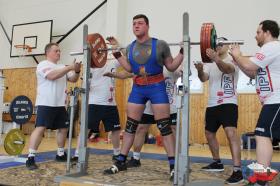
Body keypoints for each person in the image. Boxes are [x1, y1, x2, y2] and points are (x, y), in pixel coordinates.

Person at [103, 14, 184, 180]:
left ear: (147, 26)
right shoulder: (131, 47)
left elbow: (171, 65)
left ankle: (173, 166)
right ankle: (121, 162)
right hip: (138, 87)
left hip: (157, 87)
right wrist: (116, 52)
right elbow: (129, 68)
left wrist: (183, 50)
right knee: (131, 126)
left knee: (164, 127)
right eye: (134, 24)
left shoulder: (160, 44)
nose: (136, 26)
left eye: (140, 23)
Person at [229, 20, 280, 184]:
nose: (255, 35)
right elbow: (252, 73)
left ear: (267, 33)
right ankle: (262, 177)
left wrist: (238, 54)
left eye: (258, 32)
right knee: (263, 135)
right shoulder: (269, 51)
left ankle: (261, 179)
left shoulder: (271, 47)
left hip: (276, 100)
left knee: (262, 135)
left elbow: (250, 64)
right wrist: (238, 60)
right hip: (272, 101)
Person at [194, 37, 243, 184]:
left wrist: (216, 59)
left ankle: (237, 170)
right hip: (212, 104)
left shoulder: (233, 58)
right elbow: (203, 79)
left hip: (229, 102)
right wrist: (200, 70)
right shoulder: (210, 64)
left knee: (231, 133)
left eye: (221, 44)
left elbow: (227, 69)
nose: (218, 46)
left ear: (227, 46)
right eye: (217, 44)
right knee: (209, 134)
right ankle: (217, 162)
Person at [26, 43, 81, 170]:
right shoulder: (43, 65)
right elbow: (52, 76)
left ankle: (60, 153)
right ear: (48, 53)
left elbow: (73, 79)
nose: (59, 53)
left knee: (63, 128)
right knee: (40, 128)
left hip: (60, 104)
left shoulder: (62, 66)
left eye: (59, 51)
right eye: (56, 51)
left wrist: (76, 70)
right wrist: (69, 68)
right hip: (46, 103)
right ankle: (31, 157)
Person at [126, 67, 181, 170]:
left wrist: (182, 67)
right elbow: (131, 73)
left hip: (168, 106)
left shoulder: (171, 67)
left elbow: (186, 73)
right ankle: (135, 158)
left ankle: (177, 161)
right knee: (141, 129)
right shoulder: (148, 66)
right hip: (148, 106)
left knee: (172, 131)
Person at [71, 60, 122, 161]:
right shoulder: (89, 67)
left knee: (115, 130)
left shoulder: (112, 63)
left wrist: (116, 45)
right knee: (85, 129)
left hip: (111, 104)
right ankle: (78, 154)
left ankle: (117, 153)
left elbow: (125, 56)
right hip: (94, 104)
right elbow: (85, 87)